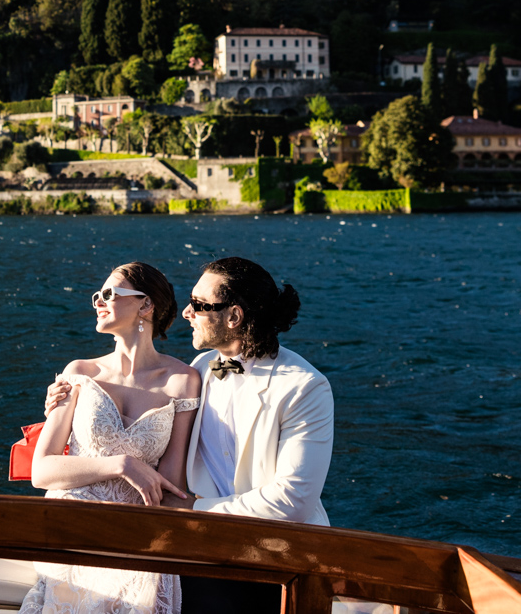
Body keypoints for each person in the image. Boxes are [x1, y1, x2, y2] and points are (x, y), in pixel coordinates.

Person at [45, 256, 334, 614]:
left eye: (198, 305)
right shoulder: (201, 371)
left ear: (233, 316)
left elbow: (292, 500)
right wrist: (66, 404)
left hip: (278, 557)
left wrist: (197, 509)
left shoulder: (304, 388)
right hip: (200, 551)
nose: (185, 313)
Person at [22, 262, 202, 614]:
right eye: (96, 296)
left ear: (146, 305)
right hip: (72, 530)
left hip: (137, 533)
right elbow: (40, 472)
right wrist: (122, 465)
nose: (98, 302)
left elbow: (173, 482)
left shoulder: (183, 381)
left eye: (109, 294)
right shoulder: (79, 372)